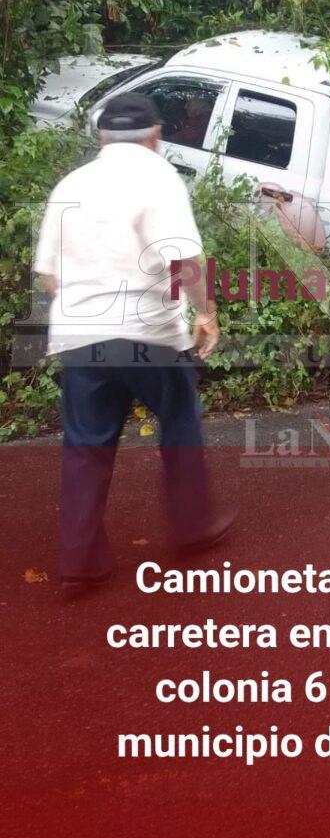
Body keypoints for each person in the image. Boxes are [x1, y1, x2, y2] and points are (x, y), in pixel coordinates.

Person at [34, 93, 234, 599]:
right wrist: (205, 314)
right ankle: (192, 526)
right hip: (148, 332)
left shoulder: (70, 185)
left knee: (86, 448)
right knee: (180, 417)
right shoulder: (158, 178)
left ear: (101, 137)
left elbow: (51, 277)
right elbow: (184, 260)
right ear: (156, 137)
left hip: (80, 337)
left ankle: (80, 562)